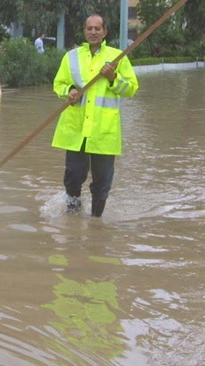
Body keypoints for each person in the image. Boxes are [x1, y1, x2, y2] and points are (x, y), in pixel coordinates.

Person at [50, 14, 138, 217]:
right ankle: (73, 214)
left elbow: (131, 89)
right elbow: (58, 84)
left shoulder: (117, 57)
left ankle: (96, 220)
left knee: (102, 180)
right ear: (84, 31)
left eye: (97, 28)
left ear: (105, 31)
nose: (93, 32)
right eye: (89, 28)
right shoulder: (71, 56)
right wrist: (69, 90)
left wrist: (112, 78)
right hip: (76, 129)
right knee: (73, 176)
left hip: (103, 131)